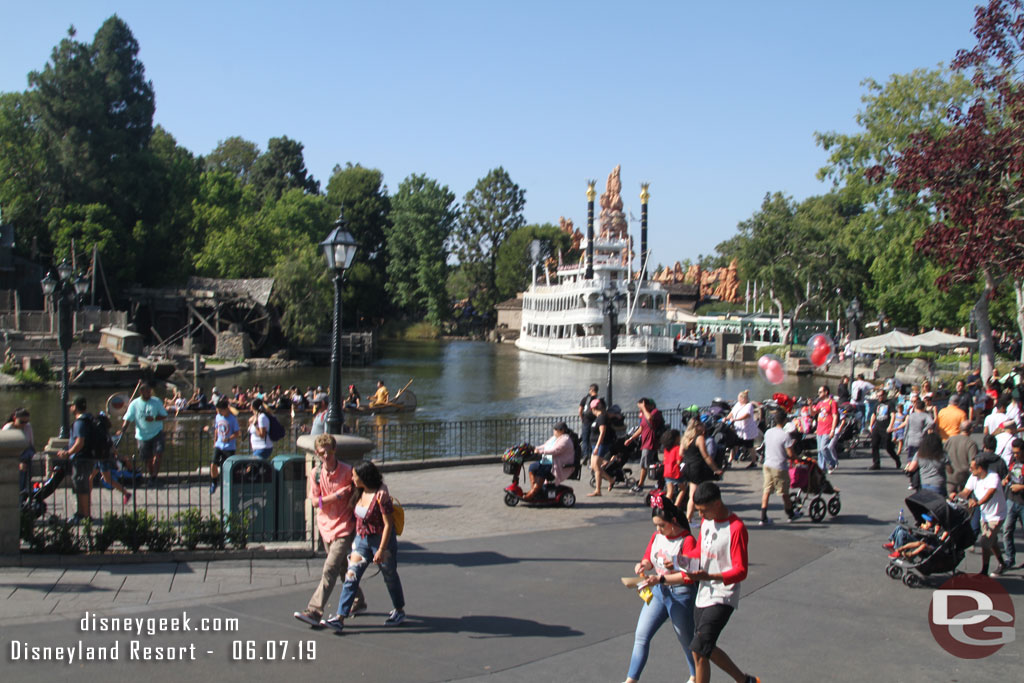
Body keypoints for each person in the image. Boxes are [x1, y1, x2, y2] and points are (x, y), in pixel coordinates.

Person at [686, 482, 760, 683]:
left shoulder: (736, 528)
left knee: (700, 648)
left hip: (723, 596)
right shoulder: (706, 522)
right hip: (703, 593)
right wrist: (680, 560)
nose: (701, 516)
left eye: (704, 511)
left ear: (717, 503)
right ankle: (745, 681)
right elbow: (699, 551)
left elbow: (741, 570)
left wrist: (711, 576)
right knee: (702, 649)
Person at [622, 491, 698, 683]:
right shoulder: (657, 536)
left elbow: (689, 577)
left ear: (673, 521)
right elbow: (649, 557)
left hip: (680, 595)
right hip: (658, 592)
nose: (658, 529)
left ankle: (696, 676)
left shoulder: (687, 541)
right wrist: (643, 565)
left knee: (687, 641)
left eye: (662, 525)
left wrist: (662, 579)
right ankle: (631, 680)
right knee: (641, 636)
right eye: (656, 525)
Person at [323, 461, 406, 632]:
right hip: (362, 541)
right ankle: (340, 616)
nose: (352, 478)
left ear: (364, 478)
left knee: (389, 575)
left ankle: (399, 609)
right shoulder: (357, 491)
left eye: (355, 475)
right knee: (351, 576)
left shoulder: (380, 497)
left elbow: (388, 525)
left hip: (381, 541)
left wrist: (382, 550)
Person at [293, 434, 366, 627]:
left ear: (335, 451)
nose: (326, 455)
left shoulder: (348, 471)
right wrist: (334, 497)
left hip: (344, 526)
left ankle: (314, 611)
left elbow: (358, 493)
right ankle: (358, 601)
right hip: (325, 526)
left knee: (330, 568)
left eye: (329, 451)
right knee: (342, 569)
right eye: (322, 452)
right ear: (317, 453)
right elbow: (314, 501)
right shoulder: (316, 474)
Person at [953, 457, 1008, 577]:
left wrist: (977, 503)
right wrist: (957, 496)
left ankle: (984, 571)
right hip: (985, 514)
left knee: (985, 541)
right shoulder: (974, 477)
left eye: (972, 468)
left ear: (980, 469)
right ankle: (1002, 563)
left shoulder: (993, 477)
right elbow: (966, 491)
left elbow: (990, 494)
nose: (970, 469)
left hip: (997, 515)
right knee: (991, 541)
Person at [56, 397, 97, 523]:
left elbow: (80, 442)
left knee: (81, 486)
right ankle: (81, 513)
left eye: (71, 405)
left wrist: (68, 453)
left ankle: (84, 516)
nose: (69, 408)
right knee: (81, 485)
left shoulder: (79, 422)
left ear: (75, 407)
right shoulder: (90, 419)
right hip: (89, 457)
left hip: (81, 459)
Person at [120, 381, 168, 487]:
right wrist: (123, 429)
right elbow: (128, 418)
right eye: (147, 391)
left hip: (157, 432)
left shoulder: (156, 401)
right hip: (142, 435)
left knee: (158, 454)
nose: (150, 393)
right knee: (147, 458)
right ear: (141, 392)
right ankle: (151, 476)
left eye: (150, 391)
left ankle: (154, 476)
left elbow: (164, 415)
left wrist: (154, 418)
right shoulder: (134, 404)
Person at [760, 410, 801, 525]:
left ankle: (763, 517)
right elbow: (790, 454)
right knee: (784, 492)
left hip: (767, 464)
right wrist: (797, 459)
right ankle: (790, 514)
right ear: (784, 421)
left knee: (766, 490)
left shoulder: (768, 432)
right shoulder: (785, 435)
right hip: (779, 466)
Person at [681, 420, 723, 522]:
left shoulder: (685, 438)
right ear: (697, 427)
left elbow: (681, 453)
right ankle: (690, 518)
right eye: (702, 425)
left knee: (691, 493)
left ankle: (691, 516)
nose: (704, 427)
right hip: (697, 468)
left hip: (687, 467)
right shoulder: (699, 438)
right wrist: (715, 469)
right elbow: (706, 456)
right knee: (696, 494)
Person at [525, 421, 576, 501]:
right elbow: (545, 446)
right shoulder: (554, 438)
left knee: (542, 470)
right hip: (550, 459)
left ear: (562, 430)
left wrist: (540, 452)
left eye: (556, 429)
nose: (554, 431)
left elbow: (555, 451)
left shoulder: (565, 440)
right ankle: (536, 490)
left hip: (559, 463)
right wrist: (534, 448)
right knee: (532, 467)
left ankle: (533, 493)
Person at [624, 398, 664, 493]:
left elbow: (650, 418)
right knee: (651, 464)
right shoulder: (645, 414)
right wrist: (631, 438)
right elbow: (641, 428)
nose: (640, 410)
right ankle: (661, 482)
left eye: (642, 407)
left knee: (644, 464)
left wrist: (644, 408)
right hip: (645, 442)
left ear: (649, 405)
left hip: (651, 442)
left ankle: (640, 485)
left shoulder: (655, 412)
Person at [207, 398, 239, 494]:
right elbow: (217, 429)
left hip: (229, 447)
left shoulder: (232, 419)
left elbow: (237, 433)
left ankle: (229, 484)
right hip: (219, 445)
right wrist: (215, 440)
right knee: (213, 464)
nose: (219, 412)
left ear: (225, 409)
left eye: (220, 410)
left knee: (228, 467)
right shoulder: (218, 417)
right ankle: (214, 483)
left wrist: (229, 439)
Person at [1001, 439, 1024, 569]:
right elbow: (1011, 474)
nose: (1015, 455)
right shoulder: (1013, 461)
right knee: (1007, 530)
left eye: (1018, 453)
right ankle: (1010, 558)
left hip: (1022, 503)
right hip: (1011, 500)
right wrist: (1006, 479)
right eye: (1014, 452)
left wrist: (1021, 487)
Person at [3, 408, 35, 496]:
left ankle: (24, 496)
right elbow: (5, 451)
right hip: (12, 458)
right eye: (21, 422)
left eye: (26, 422)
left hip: (25, 456)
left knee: (26, 472)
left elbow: (31, 445)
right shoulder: (8, 428)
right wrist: (18, 462)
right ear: (14, 418)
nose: (24, 425)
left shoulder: (27, 427)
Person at [588, 399, 616, 497]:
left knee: (596, 467)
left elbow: (602, 432)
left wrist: (597, 446)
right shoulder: (599, 417)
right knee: (594, 466)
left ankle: (598, 490)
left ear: (593, 409)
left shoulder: (601, 418)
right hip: (594, 444)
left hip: (600, 445)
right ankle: (611, 480)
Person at [945, 420, 979, 495]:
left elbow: (943, 455)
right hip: (963, 479)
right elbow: (973, 462)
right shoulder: (971, 444)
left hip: (949, 477)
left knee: (949, 502)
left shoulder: (950, 440)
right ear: (971, 429)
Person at [726, 390, 758, 468]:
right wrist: (726, 418)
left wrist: (736, 419)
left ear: (744, 399)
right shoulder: (737, 404)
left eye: (740, 399)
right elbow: (732, 412)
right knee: (735, 445)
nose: (739, 400)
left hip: (747, 430)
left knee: (750, 446)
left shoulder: (749, 406)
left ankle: (754, 462)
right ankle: (729, 461)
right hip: (738, 430)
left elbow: (747, 415)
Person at [867, 395, 901, 470]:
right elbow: (874, 415)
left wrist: (890, 426)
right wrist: (871, 425)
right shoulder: (877, 404)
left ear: (884, 395)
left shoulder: (889, 403)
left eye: (880, 396)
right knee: (874, 444)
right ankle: (876, 463)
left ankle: (896, 459)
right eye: (878, 396)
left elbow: (893, 415)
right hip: (877, 427)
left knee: (888, 447)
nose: (879, 397)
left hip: (885, 428)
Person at [813, 385, 839, 473]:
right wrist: (809, 405)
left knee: (823, 448)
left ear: (826, 392)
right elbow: (813, 413)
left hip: (828, 428)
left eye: (820, 392)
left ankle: (832, 462)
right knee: (819, 451)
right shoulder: (820, 403)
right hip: (819, 428)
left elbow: (835, 416)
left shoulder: (832, 402)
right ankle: (821, 467)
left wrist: (833, 429)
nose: (819, 394)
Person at [661, 429, 684, 507]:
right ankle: (676, 505)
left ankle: (664, 506)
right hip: (675, 472)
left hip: (667, 472)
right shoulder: (677, 448)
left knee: (670, 492)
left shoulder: (666, 448)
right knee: (683, 489)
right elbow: (679, 461)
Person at [579, 383, 600, 458]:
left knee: (585, 439)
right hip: (595, 421)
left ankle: (585, 455)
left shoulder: (585, 399)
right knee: (593, 438)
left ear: (591, 390)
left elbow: (580, 410)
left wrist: (582, 418)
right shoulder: (598, 400)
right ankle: (592, 455)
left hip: (586, 421)